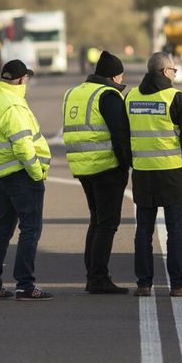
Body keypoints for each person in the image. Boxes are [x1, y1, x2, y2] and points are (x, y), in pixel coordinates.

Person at [122, 51, 182, 297]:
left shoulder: (131, 96)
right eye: (174, 70)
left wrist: (132, 162)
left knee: (143, 231)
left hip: (143, 174)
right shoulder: (175, 97)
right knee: (175, 230)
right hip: (172, 173)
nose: (175, 74)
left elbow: (124, 135)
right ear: (165, 71)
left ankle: (143, 284)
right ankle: (178, 284)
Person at [0, 58, 53, 301]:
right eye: (26, 77)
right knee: (30, 229)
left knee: (3, 229)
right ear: (21, 80)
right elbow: (22, 146)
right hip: (21, 174)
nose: (27, 81)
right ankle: (25, 285)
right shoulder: (13, 105)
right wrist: (37, 173)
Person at [63, 49, 132, 293]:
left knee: (97, 220)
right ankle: (98, 278)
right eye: (121, 76)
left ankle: (92, 275)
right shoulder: (109, 95)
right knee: (107, 223)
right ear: (114, 77)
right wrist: (126, 164)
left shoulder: (74, 92)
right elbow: (120, 134)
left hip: (82, 167)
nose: (122, 81)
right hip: (106, 167)